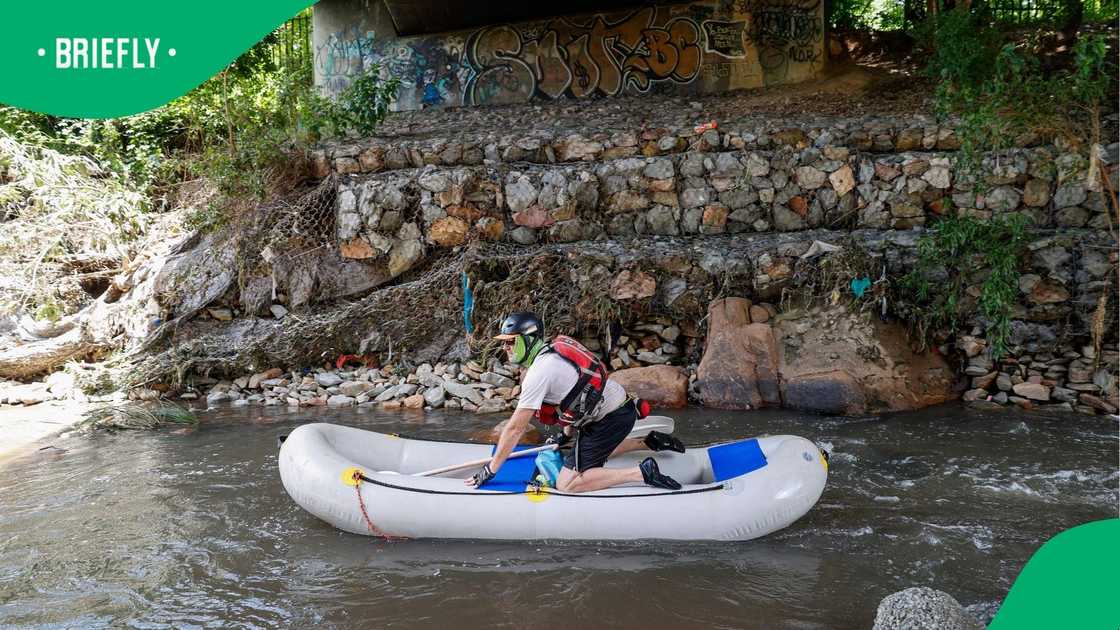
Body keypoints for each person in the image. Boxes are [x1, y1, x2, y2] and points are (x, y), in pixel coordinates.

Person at [465, 311, 684, 492]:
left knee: (566, 483)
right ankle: (648, 442)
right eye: (504, 343)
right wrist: (565, 435)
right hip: (619, 408)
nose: (506, 348)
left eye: (511, 342)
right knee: (572, 448)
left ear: (528, 340)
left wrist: (491, 470)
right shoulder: (549, 355)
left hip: (609, 419)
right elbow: (574, 396)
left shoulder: (539, 372)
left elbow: (515, 428)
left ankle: (640, 473)